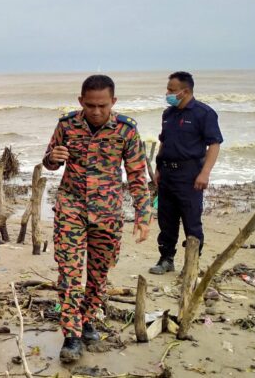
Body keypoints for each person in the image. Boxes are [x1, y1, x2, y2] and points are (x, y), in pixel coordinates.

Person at [42, 75, 151, 363]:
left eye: (103, 105)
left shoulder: (126, 130)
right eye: (90, 105)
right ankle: (71, 335)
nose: (96, 111)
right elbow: (49, 162)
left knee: (99, 274)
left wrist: (143, 214)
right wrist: (53, 157)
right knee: (69, 273)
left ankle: (88, 319)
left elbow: (137, 175)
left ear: (113, 101)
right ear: (81, 101)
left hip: (108, 212)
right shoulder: (66, 125)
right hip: (71, 208)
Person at [149, 71, 223, 275]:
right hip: (167, 174)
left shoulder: (204, 113)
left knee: (191, 221)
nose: (168, 94)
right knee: (166, 220)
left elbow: (214, 144)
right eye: (168, 89)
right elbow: (163, 142)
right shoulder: (168, 114)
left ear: (186, 91)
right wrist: (158, 169)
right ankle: (166, 259)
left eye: (171, 90)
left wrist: (205, 173)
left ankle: (191, 264)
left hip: (189, 175)